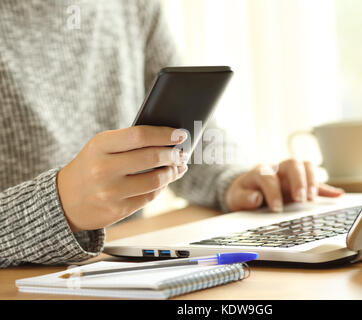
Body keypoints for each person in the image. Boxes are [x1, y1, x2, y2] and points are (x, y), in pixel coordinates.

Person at [0, 1, 343, 268]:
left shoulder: (132, 4)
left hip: (118, 274)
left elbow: (180, 132)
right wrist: (55, 206)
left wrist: (232, 178)